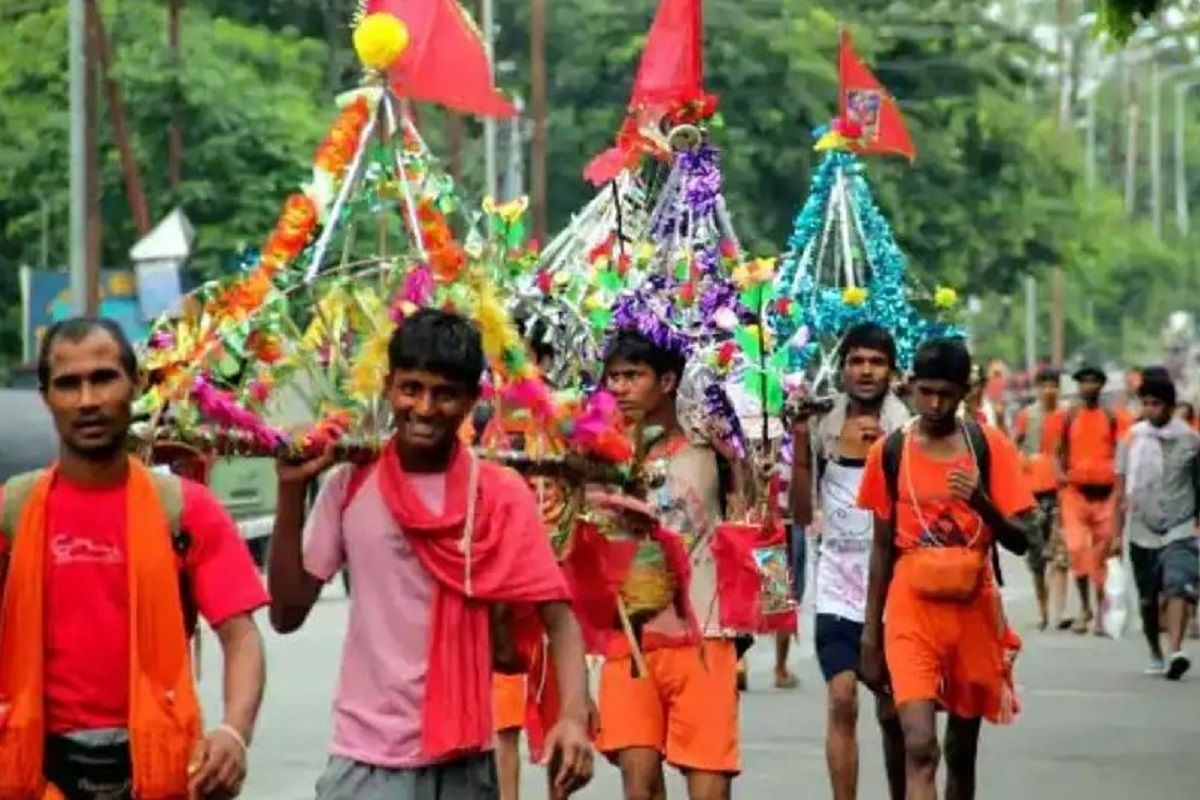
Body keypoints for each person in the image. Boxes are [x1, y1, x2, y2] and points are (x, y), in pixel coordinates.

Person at [268, 309, 593, 800]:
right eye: (411, 388)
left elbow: (560, 618)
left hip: (465, 765)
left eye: (444, 394)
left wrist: (572, 717)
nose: (423, 407)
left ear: (471, 400)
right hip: (364, 761)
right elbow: (287, 613)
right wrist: (290, 495)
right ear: (388, 387)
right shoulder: (351, 485)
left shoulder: (499, 494)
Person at [0, 317, 269, 800]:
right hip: (36, 771)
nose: (88, 400)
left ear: (136, 384)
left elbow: (241, 635)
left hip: (157, 770)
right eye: (68, 384)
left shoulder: (185, 510)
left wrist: (233, 732)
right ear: (46, 397)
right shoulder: (12, 512)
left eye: (103, 378)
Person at [858, 338, 1033, 800]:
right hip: (911, 612)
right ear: (912, 386)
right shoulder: (890, 451)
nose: (935, 403)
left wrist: (983, 504)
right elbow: (880, 550)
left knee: (961, 752)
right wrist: (870, 634)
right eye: (926, 391)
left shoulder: (987, 446)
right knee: (920, 745)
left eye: (946, 394)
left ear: (965, 392)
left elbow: (1021, 540)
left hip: (972, 612)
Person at [597, 329, 736, 800]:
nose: (619, 388)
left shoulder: (711, 449)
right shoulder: (596, 455)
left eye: (633, 376)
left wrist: (760, 614)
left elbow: (755, 524)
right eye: (613, 377)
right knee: (638, 784)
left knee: (709, 789)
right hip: (629, 638)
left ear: (668, 381)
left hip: (705, 635)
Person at [791, 323, 910, 800]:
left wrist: (886, 450)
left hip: (894, 587)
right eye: (857, 361)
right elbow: (801, 512)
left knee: (894, 711)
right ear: (842, 368)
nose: (866, 371)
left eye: (876, 362)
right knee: (842, 700)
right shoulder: (822, 422)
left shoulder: (908, 427)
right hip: (836, 588)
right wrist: (799, 442)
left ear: (891, 371)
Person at [1114, 373, 1199, 680]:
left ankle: (1176, 650)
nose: (1151, 409)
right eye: (1146, 403)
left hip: (1180, 525)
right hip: (1142, 528)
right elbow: (1120, 488)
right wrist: (1115, 533)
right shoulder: (1131, 439)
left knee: (1178, 584)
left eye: (1157, 403)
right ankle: (1155, 650)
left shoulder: (1190, 440)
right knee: (1148, 599)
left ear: (1170, 405)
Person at [1059, 365, 1131, 635]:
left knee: (1101, 557)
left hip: (1106, 494)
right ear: (1078, 386)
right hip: (1075, 493)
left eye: (1094, 382)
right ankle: (1084, 608)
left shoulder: (1113, 417)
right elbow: (1058, 451)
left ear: (1102, 386)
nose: (1089, 387)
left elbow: (1124, 453)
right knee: (1077, 550)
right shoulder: (1069, 417)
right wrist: (1061, 477)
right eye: (1084, 382)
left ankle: (1102, 613)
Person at [1012, 367, 1069, 630]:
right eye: (1044, 385)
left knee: (1059, 552)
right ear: (1038, 388)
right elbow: (1014, 445)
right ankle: (1043, 609)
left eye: (1053, 385)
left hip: (1059, 490)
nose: (1049, 390)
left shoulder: (1067, 415)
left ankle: (1059, 609)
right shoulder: (1027, 415)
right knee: (1036, 555)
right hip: (1031, 490)